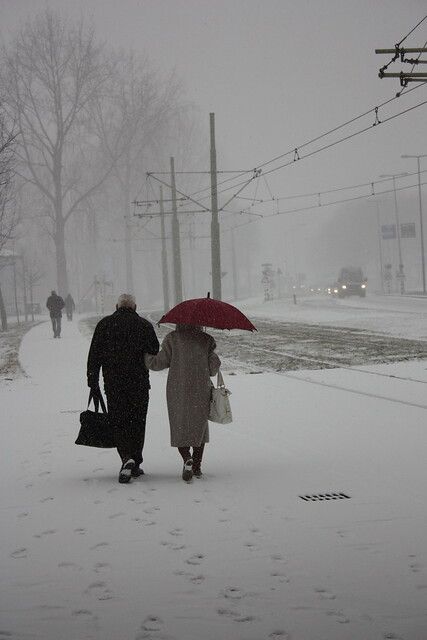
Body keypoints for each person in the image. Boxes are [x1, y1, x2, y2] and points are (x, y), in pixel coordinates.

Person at [87, 293, 159, 484]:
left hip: (113, 383)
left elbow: (94, 355)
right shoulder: (144, 325)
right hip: (139, 383)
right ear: (135, 307)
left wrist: (92, 381)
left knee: (118, 421)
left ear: (116, 306)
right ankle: (135, 461)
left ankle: (126, 457)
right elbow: (154, 350)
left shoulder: (104, 325)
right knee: (137, 421)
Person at [145, 324, 221, 482]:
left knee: (180, 425)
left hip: (178, 390)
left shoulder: (172, 339)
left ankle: (187, 457)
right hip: (201, 389)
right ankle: (197, 466)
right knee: (200, 427)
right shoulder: (206, 340)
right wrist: (210, 352)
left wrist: (145, 357)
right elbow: (213, 369)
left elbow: (158, 363)